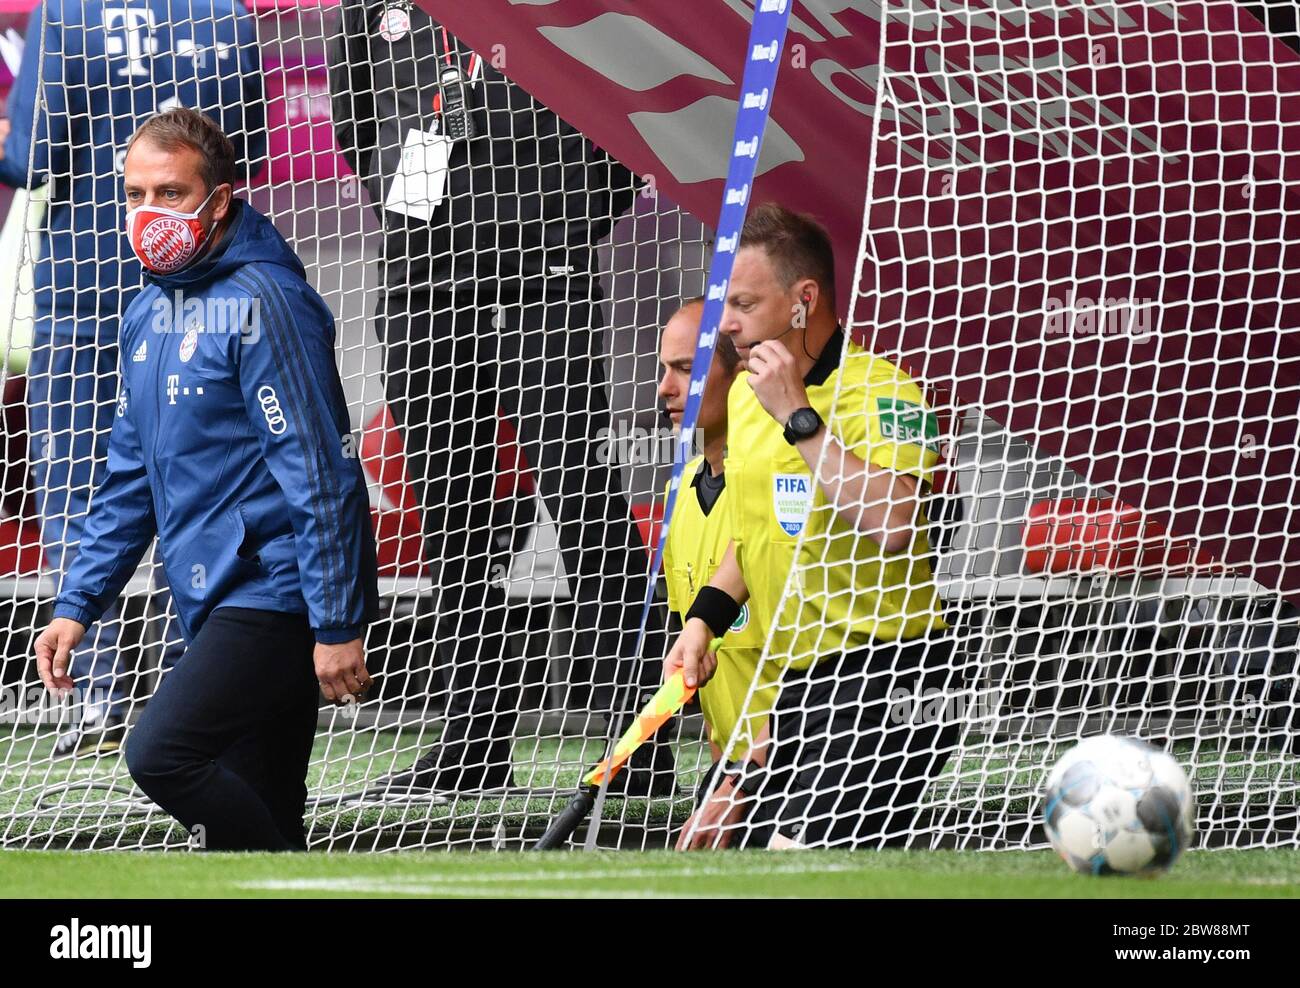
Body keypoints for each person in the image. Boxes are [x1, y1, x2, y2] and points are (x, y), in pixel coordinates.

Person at [328, 4, 673, 795]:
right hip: (421, 278)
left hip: (541, 275)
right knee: (450, 517)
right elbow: (355, 116)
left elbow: (621, 116)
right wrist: (406, 203)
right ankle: (473, 744)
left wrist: (558, 221)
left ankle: (640, 746)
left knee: (583, 500)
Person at [32, 108, 378, 851]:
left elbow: (320, 474)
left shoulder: (266, 301)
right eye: (135, 194)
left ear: (218, 201)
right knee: (259, 815)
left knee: (161, 752)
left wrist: (339, 620)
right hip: (211, 597)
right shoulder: (145, 312)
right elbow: (130, 481)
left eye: (171, 193)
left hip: (279, 596)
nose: (148, 213)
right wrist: (77, 603)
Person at [0, 0, 265, 757]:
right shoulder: (226, 11)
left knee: (80, 485)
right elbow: (247, 148)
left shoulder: (66, 12)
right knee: (211, 480)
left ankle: (97, 694)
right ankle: (199, 689)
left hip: (87, 288)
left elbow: (34, 160)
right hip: (203, 278)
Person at [668, 203, 965, 850]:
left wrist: (800, 417)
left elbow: (894, 523)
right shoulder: (746, 396)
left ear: (804, 300)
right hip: (800, 683)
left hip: (893, 673)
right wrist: (702, 623)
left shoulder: (885, 392)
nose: (729, 325)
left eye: (743, 303)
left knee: (798, 863)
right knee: (740, 854)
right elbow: (755, 541)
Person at [656, 297, 779, 843]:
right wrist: (721, 779)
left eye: (686, 368)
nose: (665, 388)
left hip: (799, 760)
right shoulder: (678, 494)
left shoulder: (784, 489)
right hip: (737, 769)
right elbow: (708, 677)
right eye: (663, 370)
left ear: (742, 376)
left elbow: (799, 668)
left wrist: (742, 783)